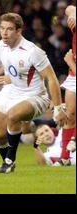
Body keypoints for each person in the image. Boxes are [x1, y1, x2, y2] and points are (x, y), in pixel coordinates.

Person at [0, 13, 67, 173]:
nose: (4, 33)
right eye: (2, 28)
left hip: (35, 95)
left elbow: (51, 78)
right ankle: (7, 162)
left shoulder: (32, 51)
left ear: (19, 31)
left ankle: (10, 160)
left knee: (13, 115)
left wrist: (59, 108)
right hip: (11, 91)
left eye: (10, 29)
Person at [57, 5, 76, 166]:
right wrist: (74, 13)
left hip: (74, 68)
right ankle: (64, 158)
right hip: (73, 75)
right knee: (70, 115)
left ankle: (75, 139)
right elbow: (69, 8)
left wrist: (70, 61)